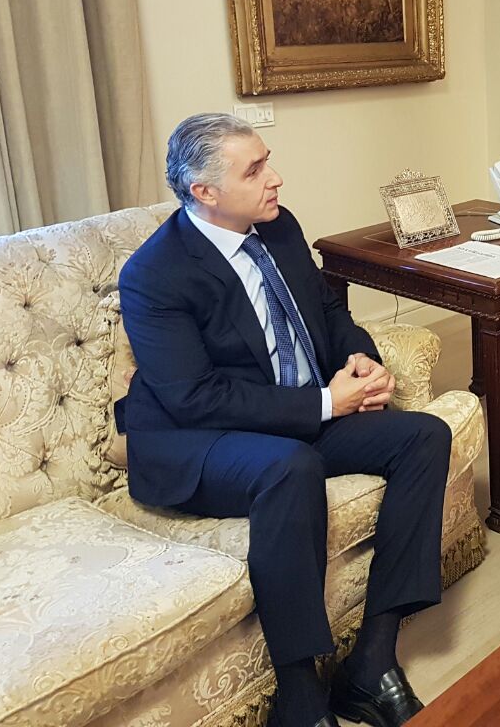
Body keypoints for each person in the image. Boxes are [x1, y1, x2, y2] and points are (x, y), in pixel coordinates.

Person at [116, 113, 451, 727]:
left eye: (267, 160)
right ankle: (300, 699)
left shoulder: (278, 226)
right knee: (290, 468)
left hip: (292, 415)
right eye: (255, 170)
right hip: (200, 441)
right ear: (205, 191)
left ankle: (373, 662)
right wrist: (326, 404)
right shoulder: (154, 275)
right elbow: (194, 398)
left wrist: (360, 359)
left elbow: (328, 310)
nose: (275, 178)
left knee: (424, 436)